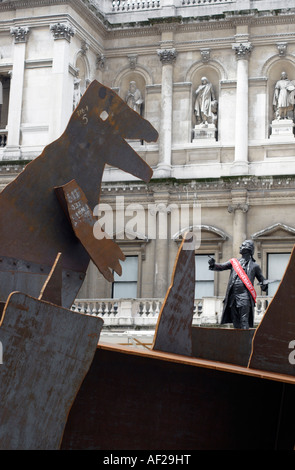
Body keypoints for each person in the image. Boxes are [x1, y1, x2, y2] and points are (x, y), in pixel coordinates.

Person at [208, 240, 268, 329]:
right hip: (233, 296)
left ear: (248, 248)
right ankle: (237, 340)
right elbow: (221, 266)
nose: (240, 247)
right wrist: (213, 264)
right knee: (235, 320)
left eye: (242, 245)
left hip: (245, 296)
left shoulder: (255, 266)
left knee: (244, 320)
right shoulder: (234, 262)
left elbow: (262, 280)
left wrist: (264, 285)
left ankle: (245, 341)